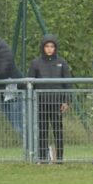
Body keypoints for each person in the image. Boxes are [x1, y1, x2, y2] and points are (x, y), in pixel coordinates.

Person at [29, 35, 72, 163]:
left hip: (57, 103)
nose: (49, 49)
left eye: (52, 46)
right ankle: (42, 159)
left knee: (58, 131)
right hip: (41, 103)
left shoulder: (62, 62)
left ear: (55, 48)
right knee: (42, 131)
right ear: (42, 47)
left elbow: (68, 83)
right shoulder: (36, 63)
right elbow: (30, 83)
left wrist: (66, 101)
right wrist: (32, 101)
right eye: (47, 46)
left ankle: (59, 159)